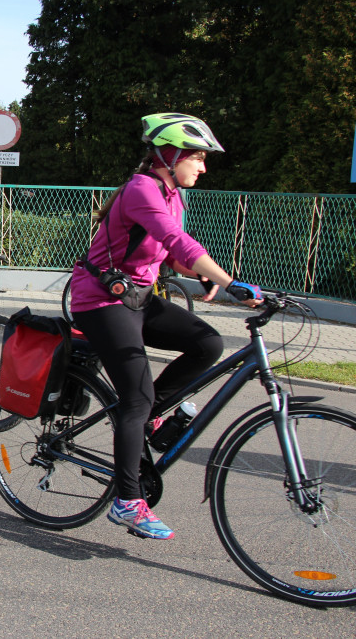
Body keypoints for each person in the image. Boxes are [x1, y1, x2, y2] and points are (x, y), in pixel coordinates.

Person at [68, 113, 263, 540]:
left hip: (138, 299)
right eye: (197, 158)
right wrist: (231, 282)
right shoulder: (142, 189)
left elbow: (167, 250)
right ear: (170, 155)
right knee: (135, 397)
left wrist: (201, 275)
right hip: (100, 300)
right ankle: (126, 501)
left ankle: (148, 417)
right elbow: (179, 242)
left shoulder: (172, 195)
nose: (203, 167)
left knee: (207, 344)